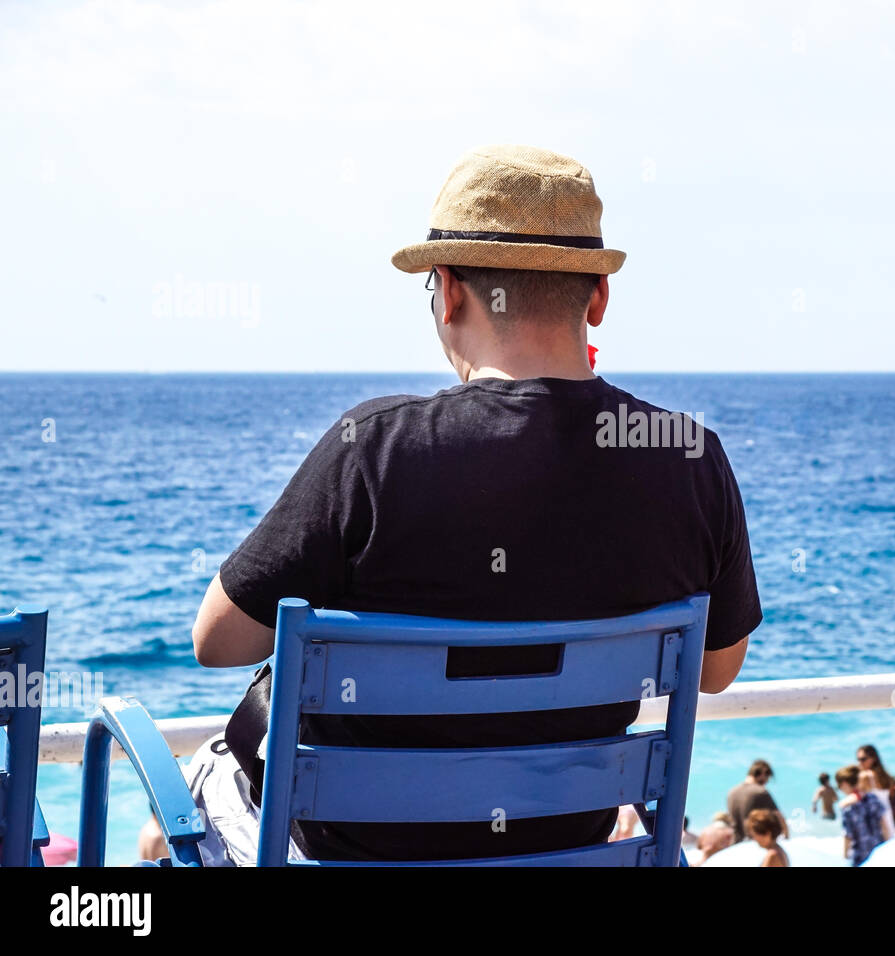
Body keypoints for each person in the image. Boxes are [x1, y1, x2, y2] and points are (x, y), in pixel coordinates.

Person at [187, 145, 762, 863]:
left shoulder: (374, 448)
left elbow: (216, 641)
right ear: (598, 298)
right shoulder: (687, 456)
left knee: (204, 776)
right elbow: (715, 669)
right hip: (567, 850)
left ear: (451, 291)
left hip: (357, 854)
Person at [836, 765, 887, 865]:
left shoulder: (847, 807)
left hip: (860, 857)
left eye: (839, 786)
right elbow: (884, 825)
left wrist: (845, 856)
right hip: (878, 852)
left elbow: (848, 836)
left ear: (844, 784)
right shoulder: (873, 798)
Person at [727, 760, 787, 842]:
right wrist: (786, 837)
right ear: (763, 772)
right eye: (767, 777)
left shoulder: (731, 793)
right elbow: (779, 817)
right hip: (755, 843)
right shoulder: (760, 791)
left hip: (736, 843)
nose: (766, 781)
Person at [858, 744, 895, 828]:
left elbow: (858, 798)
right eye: (858, 759)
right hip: (888, 816)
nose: (860, 763)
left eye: (863, 759)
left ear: (873, 759)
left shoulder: (865, 776)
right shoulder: (885, 775)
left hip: (875, 819)